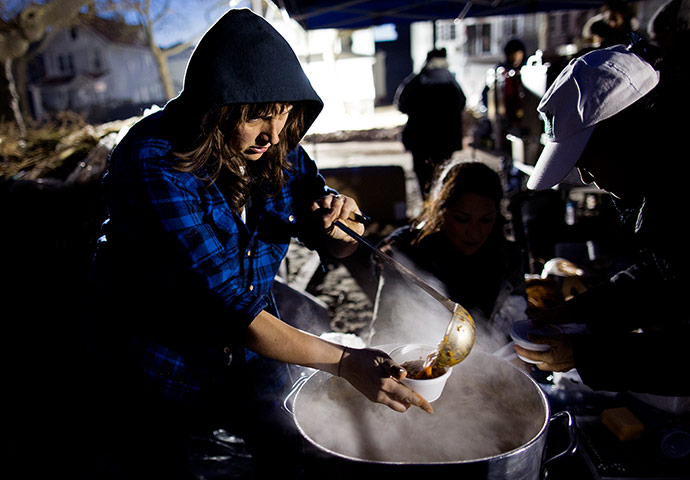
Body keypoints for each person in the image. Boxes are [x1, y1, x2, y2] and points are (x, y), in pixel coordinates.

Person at [85, 9, 431, 480]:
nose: (274, 134)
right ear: (217, 109)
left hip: (253, 353)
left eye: (285, 113)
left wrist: (339, 226)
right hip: (160, 357)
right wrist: (346, 361)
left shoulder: (278, 150)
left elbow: (336, 246)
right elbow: (229, 310)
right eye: (257, 118)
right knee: (163, 468)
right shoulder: (154, 162)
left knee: (289, 458)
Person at [514, 39, 690, 396]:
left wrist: (587, 355)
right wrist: (577, 311)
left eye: (586, 159)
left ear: (630, 138)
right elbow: (663, 277)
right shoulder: (664, 185)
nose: (585, 177)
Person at [369, 160, 527, 355]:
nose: (475, 233)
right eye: (462, 219)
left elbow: (516, 324)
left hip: (490, 361)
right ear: (440, 210)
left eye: (486, 220)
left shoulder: (509, 258)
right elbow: (383, 331)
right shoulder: (406, 253)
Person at [394, 47, 467, 198]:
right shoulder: (450, 82)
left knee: (427, 179)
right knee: (441, 177)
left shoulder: (416, 81)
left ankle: (430, 206)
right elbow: (462, 103)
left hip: (422, 141)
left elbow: (401, 104)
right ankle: (436, 208)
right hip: (443, 140)